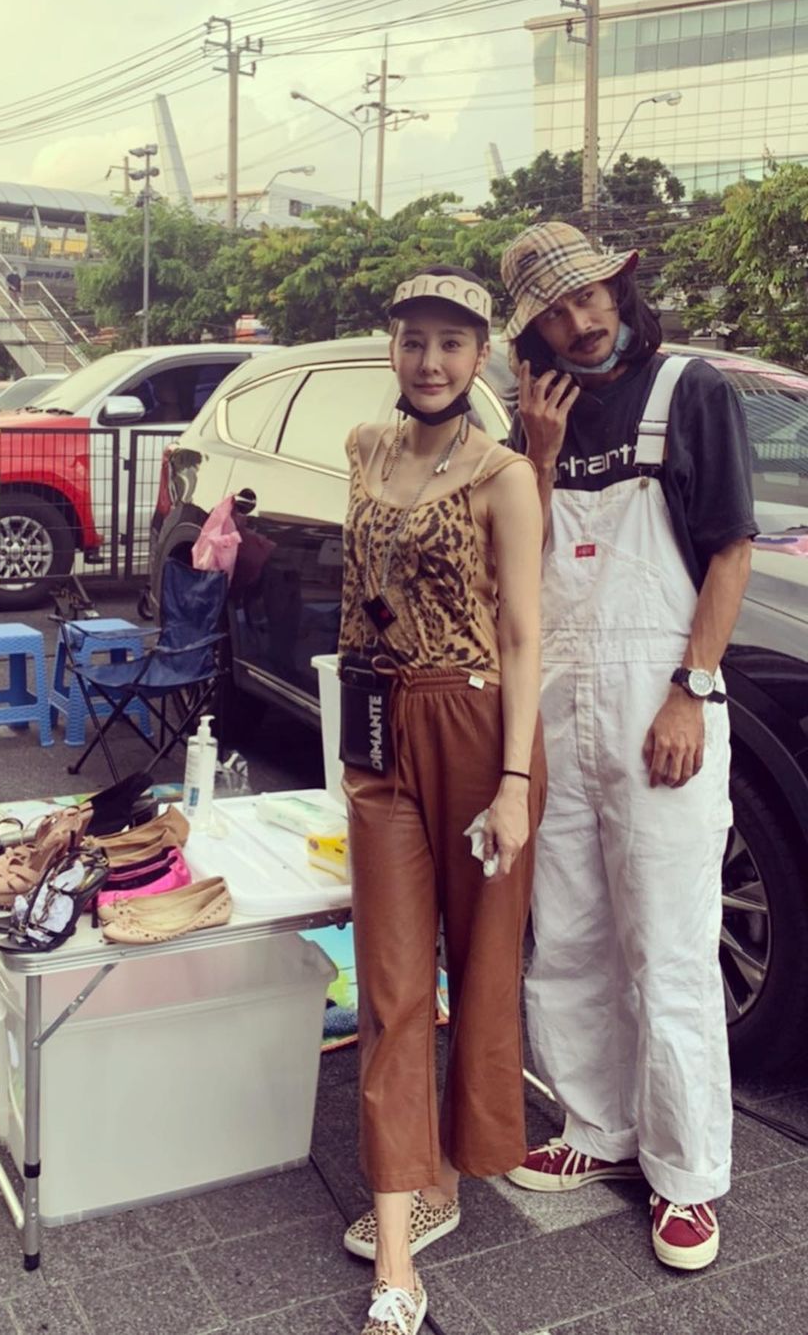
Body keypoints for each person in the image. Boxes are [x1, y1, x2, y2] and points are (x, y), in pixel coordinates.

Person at [498, 222, 756, 1271]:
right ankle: (597, 1129)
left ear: (619, 286)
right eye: (557, 312)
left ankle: (687, 1175)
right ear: (534, 334)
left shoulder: (690, 389)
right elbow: (518, 572)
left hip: (662, 697)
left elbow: (730, 550)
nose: (582, 320)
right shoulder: (533, 414)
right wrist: (538, 454)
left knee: (670, 944)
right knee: (567, 932)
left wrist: (693, 690)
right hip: (560, 702)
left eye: (592, 294)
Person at [338, 266, 546, 1335]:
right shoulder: (363, 450)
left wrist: (514, 783)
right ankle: (398, 1258)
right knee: (390, 983)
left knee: (482, 962)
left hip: (475, 725)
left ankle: (448, 1173)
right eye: (414, 340)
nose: (430, 361)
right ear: (393, 345)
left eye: (451, 344)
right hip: (379, 727)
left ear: (480, 357)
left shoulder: (505, 476)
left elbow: (522, 635)